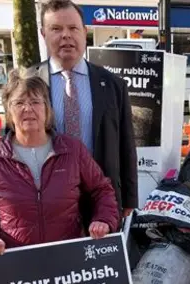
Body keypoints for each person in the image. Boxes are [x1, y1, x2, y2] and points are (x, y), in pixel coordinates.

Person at [0, 71, 120, 255]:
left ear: (47, 109)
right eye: (19, 103)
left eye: (35, 102)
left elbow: (102, 190)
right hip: (15, 263)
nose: (28, 109)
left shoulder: (73, 150)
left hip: (69, 260)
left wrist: (104, 219)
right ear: (8, 111)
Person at [35, 0, 138, 219]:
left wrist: (130, 199)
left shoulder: (113, 85)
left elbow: (126, 145)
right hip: (46, 202)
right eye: (56, 29)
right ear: (44, 35)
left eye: (73, 28)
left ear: (85, 32)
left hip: (101, 199)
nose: (66, 36)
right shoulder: (28, 83)